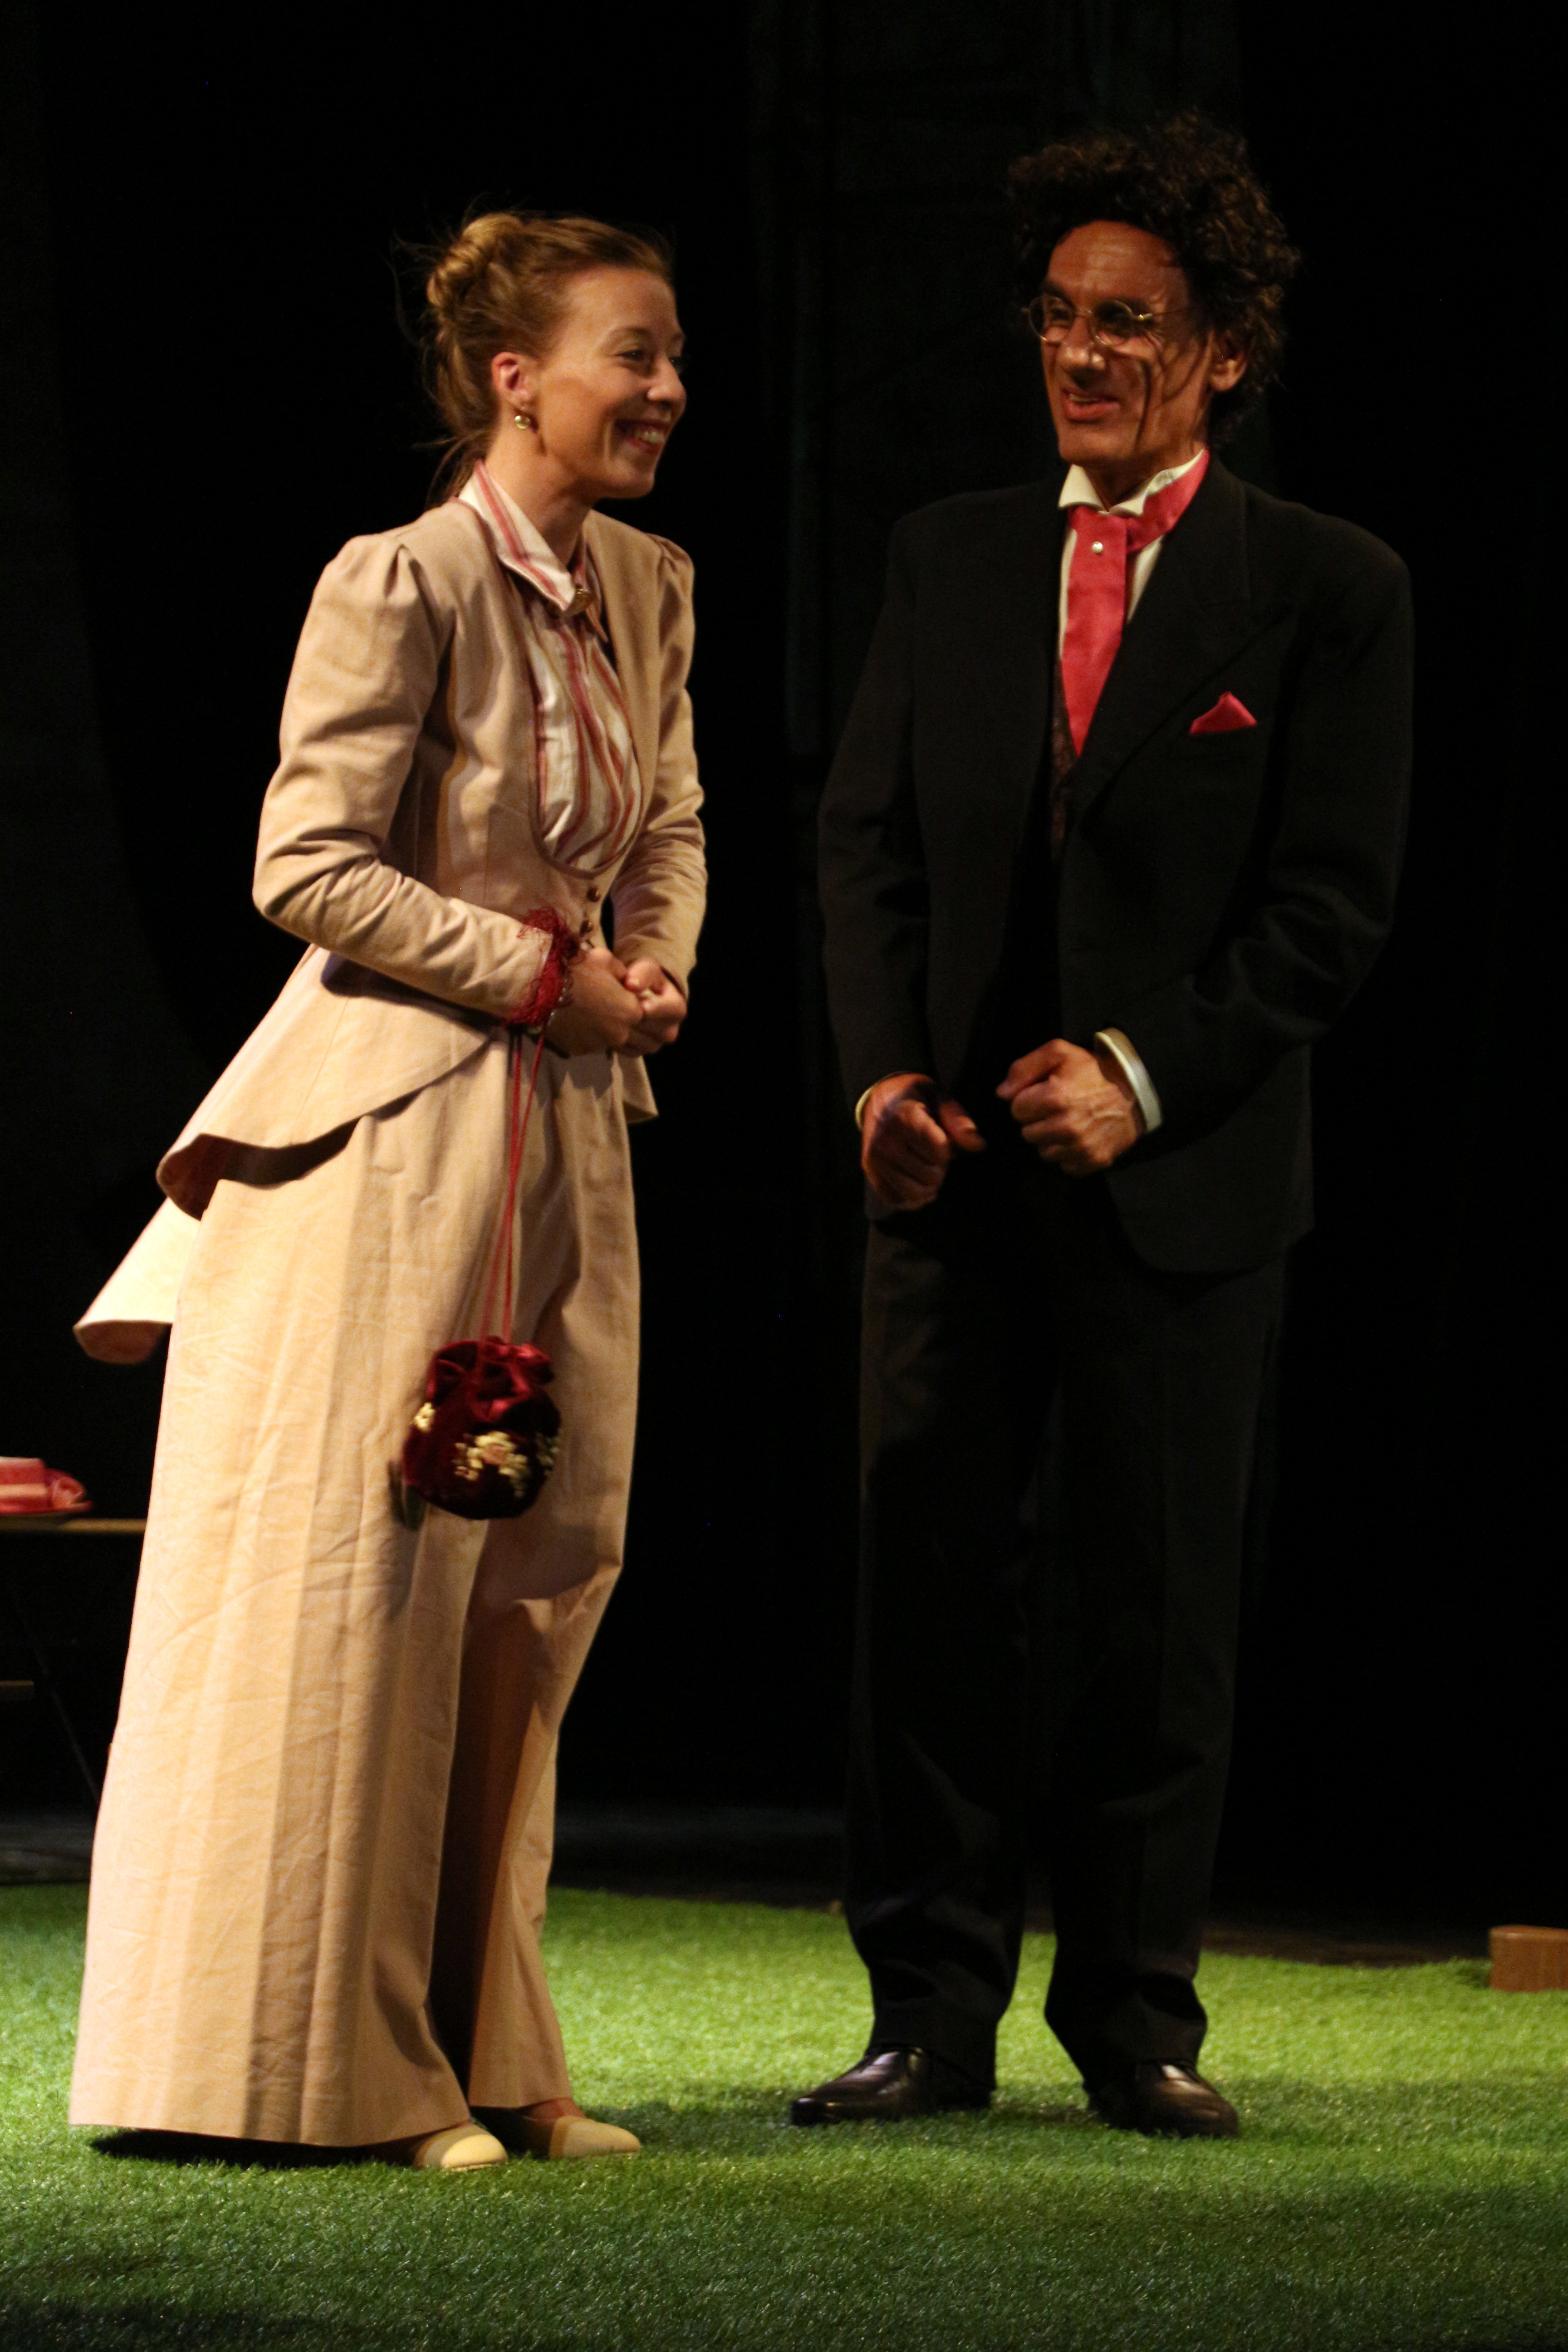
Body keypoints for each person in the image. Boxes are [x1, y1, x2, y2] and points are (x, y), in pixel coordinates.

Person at [69, 212, 705, 2171]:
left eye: (672, 357)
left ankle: (494, 2048)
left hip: (570, 1125)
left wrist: (648, 969)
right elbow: (308, 864)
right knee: (379, 1590)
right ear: (516, 378)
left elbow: (673, 817)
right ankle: (339, 2075)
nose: (667, 390)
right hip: (391, 1140)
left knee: (542, 1568)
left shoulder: (651, 585)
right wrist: (536, 972)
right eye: (631, 355)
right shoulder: (402, 578)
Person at [798, 116, 1412, 2138]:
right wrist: (887, 1081)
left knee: (1154, 1616)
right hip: (953, 1177)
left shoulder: (1326, 586)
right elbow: (868, 845)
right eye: (1062, 316)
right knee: (929, 1593)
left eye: (1131, 323)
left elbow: (1330, 909)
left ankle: (1136, 2017)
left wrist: (1140, 1072)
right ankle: (928, 2011)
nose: (1084, 353)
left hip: (1181, 1183)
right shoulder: (948, 552)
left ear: (1224, 349)